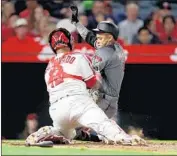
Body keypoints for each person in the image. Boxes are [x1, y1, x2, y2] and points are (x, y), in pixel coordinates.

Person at [25, 28, 146, 146]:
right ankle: (125, 138)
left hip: (56, 110)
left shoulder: (49, 67)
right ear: (69, 41)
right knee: (104, 124)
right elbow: (93, 83)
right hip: (78, 103)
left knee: (64, 133)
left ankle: (46, 132)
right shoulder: (78, 57)